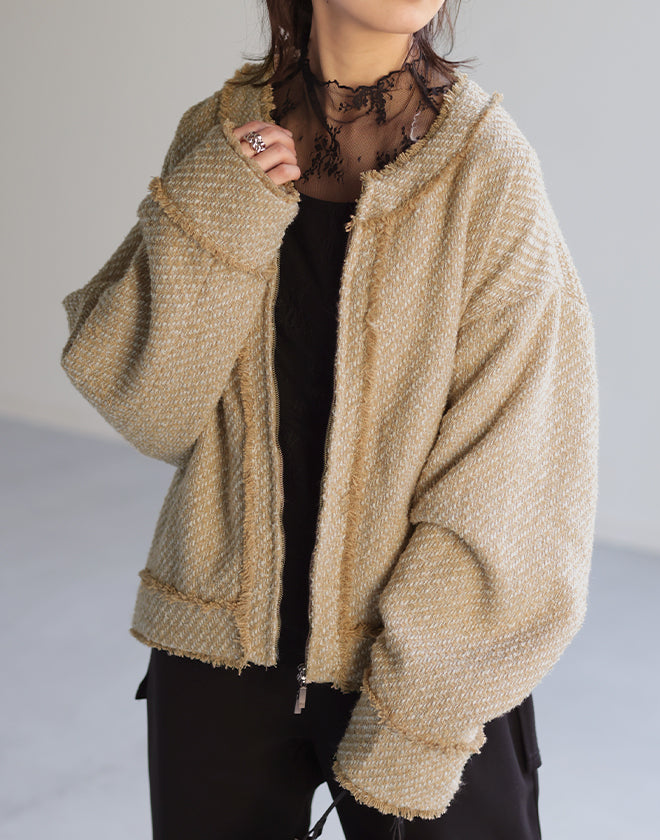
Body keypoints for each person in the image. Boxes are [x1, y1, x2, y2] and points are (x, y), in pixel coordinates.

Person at [59, 1, 599, 838]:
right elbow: (150, 408)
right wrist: (227, 203)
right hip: (220, 646)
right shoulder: (220, 134)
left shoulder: (488, 168)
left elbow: (517, 481)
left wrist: (413, 710)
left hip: (421, 668)